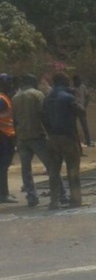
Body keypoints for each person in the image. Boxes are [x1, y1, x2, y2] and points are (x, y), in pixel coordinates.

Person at [12, 73, 68, 207]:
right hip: (37, 135)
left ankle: (32, 197)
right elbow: (44, 114)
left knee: (26, 170)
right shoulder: (37, 95)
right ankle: (62, 194)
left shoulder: (15, 98)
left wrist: (16, 137)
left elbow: (14, 120)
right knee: (51, 167)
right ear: (33, 82)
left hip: (22, 137)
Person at [43, 72, 84, 209]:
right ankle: (75, 200)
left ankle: (54, 201)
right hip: (68, 137)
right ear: (65, 82)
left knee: (54, 172)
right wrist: (77, 97)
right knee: (72, 169)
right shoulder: (68, 97)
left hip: (52, 138)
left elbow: (43, 118)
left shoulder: (47, 98)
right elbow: (81, 112)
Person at [0, 73, 18, 204]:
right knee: (3, 165)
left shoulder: (5, 98)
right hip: (3, 135)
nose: (10, 85)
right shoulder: (2, 99)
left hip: (6, 135)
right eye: (8, 82)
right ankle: (3, 194)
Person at [72, 75, 94, 148]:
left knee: (84, 126)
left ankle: (88, 141)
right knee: (73, 126)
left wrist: (85, 106)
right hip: (74, 108)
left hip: (81, 108)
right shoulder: (72, 88)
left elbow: (87, 96)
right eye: (77, 80)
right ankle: (75, 142)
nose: (79, 81)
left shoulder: (82, 87)